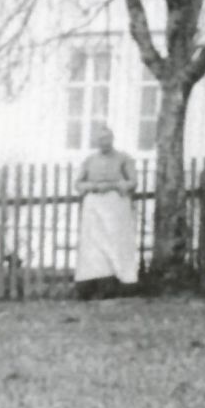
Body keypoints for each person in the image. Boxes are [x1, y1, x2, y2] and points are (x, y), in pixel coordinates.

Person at [74, 124, 139, 300]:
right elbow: (78, 183)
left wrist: (115, 185)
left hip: (116, 205)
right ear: (96, 141)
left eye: (107, 139)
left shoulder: (124, 159)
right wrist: (93, 186)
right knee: (94, 245)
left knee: (117, 243)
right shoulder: (89, 160)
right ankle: (96, 283)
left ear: (112, 139)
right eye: (100, 139)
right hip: (94, 206)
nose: (104, 142)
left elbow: (133, 182)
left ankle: (122, 282)